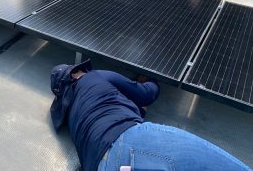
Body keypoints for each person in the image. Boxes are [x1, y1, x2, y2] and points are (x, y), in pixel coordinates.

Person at [50, 60, 251, 171]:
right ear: (74, 75)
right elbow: (146, 94)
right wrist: (155, 78)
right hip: (132, 143)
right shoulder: (95, 77)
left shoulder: (71, 113)